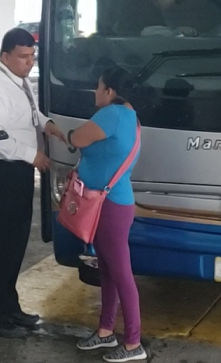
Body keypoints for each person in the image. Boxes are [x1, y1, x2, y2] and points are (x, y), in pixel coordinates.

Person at [0, 28, 65, 338]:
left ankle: (10, 307)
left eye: (32, 56)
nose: (30, 63)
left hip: (19, 171)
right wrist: (30, 155)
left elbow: (28, 111)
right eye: (23, 57)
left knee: (15, 244)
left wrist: (45, 123)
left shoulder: (18, 80)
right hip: (0, 172)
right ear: (5, 56)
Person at [66, 67, 145, 363]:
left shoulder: (112, 115)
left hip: (109, 206)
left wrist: (67, 134)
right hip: (113, 204)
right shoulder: (131, 117)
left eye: (98, 87)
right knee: (108, 270)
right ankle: (105, 331)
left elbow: (77, 138)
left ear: (110, 91)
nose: (95, 93)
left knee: (121, 273)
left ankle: (133, 342)